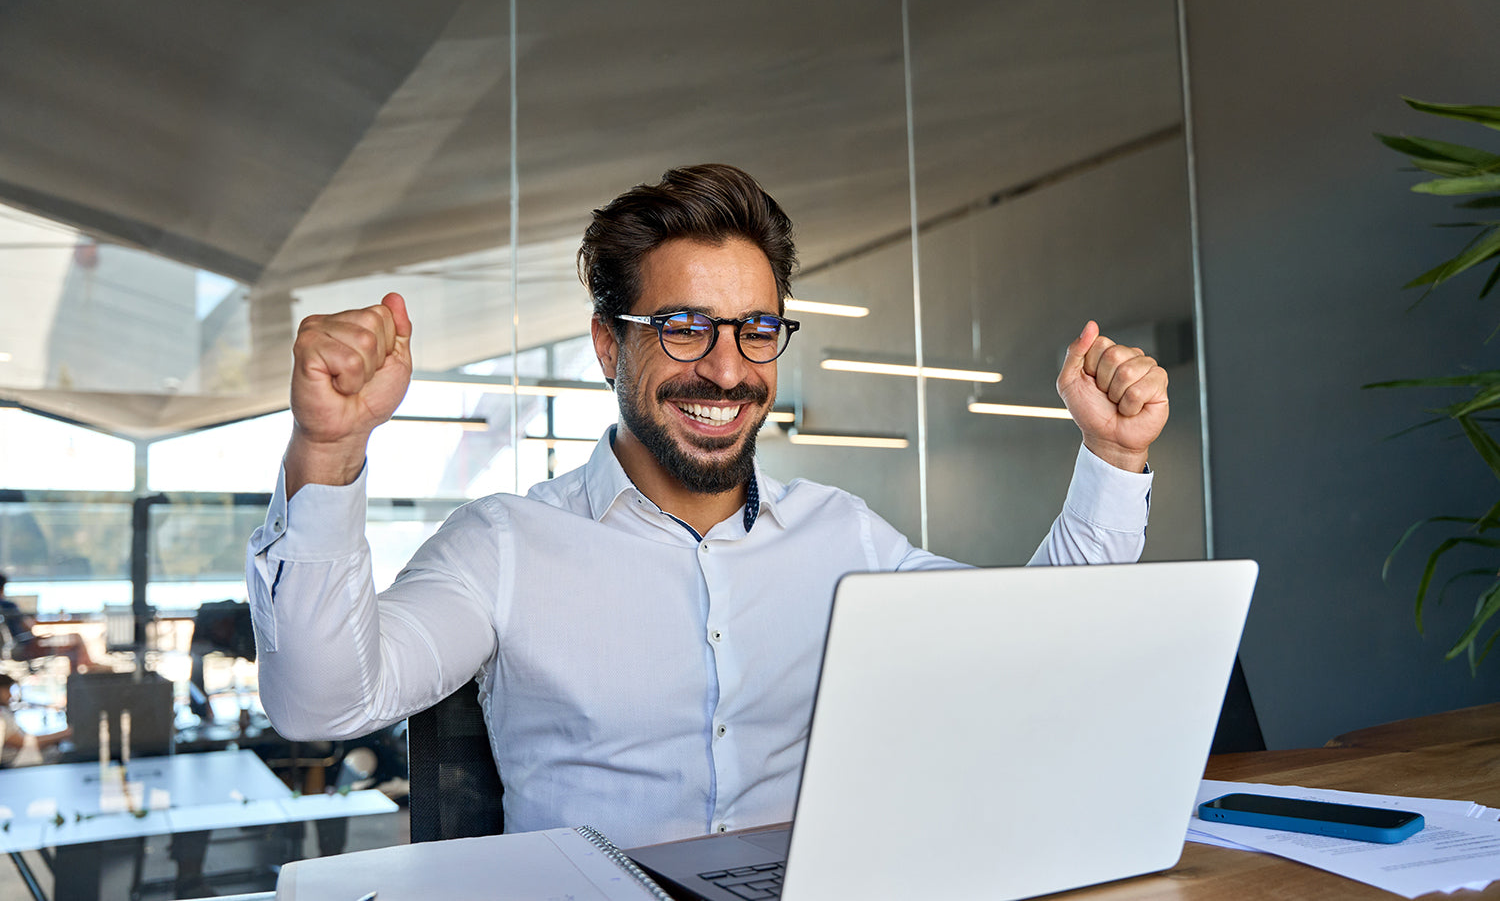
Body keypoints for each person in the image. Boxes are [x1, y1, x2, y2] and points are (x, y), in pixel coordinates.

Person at [246, 164, 1168, 847]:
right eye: (684, 327)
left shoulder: (842, 534)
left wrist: (1113, 456)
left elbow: (1040, 643)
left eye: (756, 330)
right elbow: (322, 700)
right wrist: (328, 451)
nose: (727, 368)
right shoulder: (507, 545)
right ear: (610, 346)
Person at [0, 573, 102, 673]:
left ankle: (90, 667)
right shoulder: (8, 606)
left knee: (75, 637)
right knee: (74, 645)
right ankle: (82, 676)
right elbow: (27, 626)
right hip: (23, 647)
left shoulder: (5, 607)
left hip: (15, 646)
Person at [0, 673, 72, 767]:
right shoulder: (2, 716)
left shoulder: (5, 712)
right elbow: (24, 744)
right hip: (17, 763)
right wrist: (65, 734)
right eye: (7, 690)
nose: (10, 696)